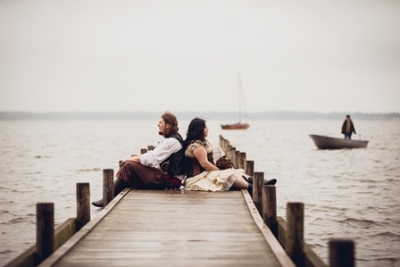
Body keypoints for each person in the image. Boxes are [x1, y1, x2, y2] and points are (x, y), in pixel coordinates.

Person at [92, 111, 186, 208]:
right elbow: (153, 158)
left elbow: (152, 159)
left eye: (161, 122)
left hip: (170, 181)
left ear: (168, 125)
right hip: (166, 177)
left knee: (128, 165)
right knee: (130, 165)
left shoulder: (172, 142)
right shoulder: (170, 140)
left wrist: (132, 159)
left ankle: (107, 198)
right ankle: (110, 196)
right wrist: (135, 160)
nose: (158, 125)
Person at [183, 117, 276, 192]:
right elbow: (205, 164)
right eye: (205, 127)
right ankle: (252, 188)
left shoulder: (199, 143)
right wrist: (219, 170)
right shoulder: (196, 146)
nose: (207, 129)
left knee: (234, 172)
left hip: (205, 173)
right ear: (199, 129)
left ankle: (259, 182)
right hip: (197, 178)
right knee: (227, 176)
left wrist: (219, 166)